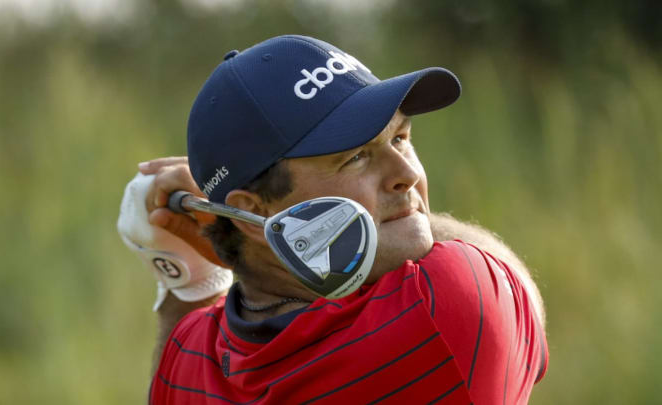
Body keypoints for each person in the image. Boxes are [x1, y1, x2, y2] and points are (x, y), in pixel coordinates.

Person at [123, 35, 548, 404]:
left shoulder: (187, 358)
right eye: (356, 157)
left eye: (400, 138)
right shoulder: (442, 308)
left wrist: (189, 284)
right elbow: (509, 280)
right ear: (254, 212)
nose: (408, 174)